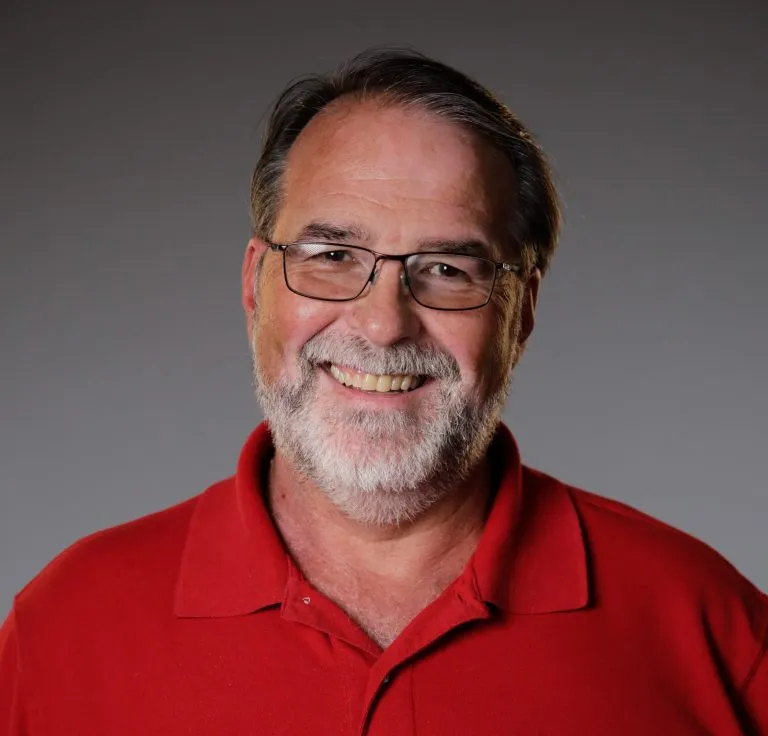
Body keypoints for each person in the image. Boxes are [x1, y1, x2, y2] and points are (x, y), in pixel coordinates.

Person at [1, 48, 765, 735]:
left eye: (445, 269)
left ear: (520, 312)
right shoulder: (66, 625)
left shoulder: (706, 624)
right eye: (332, 253)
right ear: (254, 285)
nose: (383, 322)